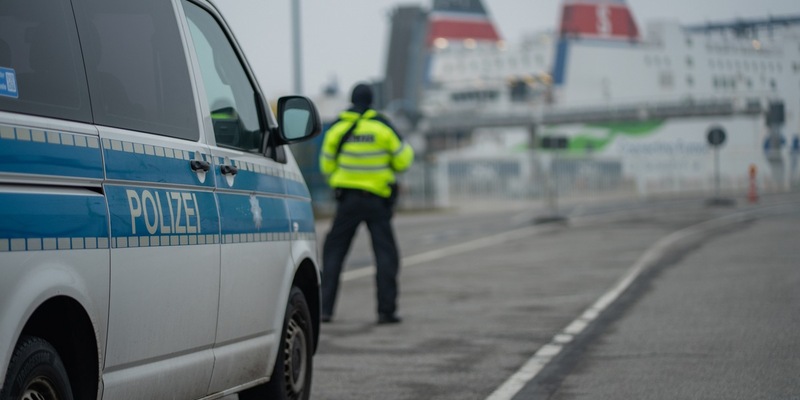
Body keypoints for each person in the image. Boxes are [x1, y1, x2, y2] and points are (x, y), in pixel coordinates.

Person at [319, 83, 414, 324]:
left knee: (333, 253)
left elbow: (326, 166)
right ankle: (386, 311)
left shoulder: (337, 129)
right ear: (372, 101)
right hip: (377, 201)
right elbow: (403, 161)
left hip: (348, 200)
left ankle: (325, 310)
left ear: (351, 100)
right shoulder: (383, 128)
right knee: (385, 255)